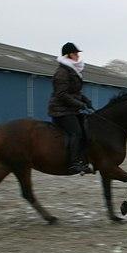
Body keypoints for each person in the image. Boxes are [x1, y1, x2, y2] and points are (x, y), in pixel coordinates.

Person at [48, 42, 94, 175]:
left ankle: (83, 160)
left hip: (70, 109)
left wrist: (86, 100)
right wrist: (80, 104)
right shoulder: (62, 72)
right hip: (60, 110)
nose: (77, 56)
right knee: (76, 132)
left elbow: (74, 92)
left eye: (78, 53)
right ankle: (74, 163)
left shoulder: (73, 70)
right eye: (75, 53)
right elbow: (61, 94)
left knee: (87, 129)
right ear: (68, 55)